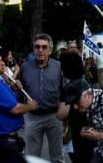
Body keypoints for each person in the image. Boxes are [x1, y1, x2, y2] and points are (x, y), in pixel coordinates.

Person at [20, 33, 64, 163]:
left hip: (54, 116)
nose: (40, 50)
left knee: (57, 156)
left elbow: (65, 91)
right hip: (32, 117)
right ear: (33, 49)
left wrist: (64, 115)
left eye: (44, 47)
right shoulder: (25, 67)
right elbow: (19, 90)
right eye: (37, 47)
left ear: (50, 50)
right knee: (32, 157)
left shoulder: (59, 67)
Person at [57, 51, 96, 163]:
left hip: (76, 132)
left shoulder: (70, 88)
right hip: (89, 127)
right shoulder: (85, 83)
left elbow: (62, 114)